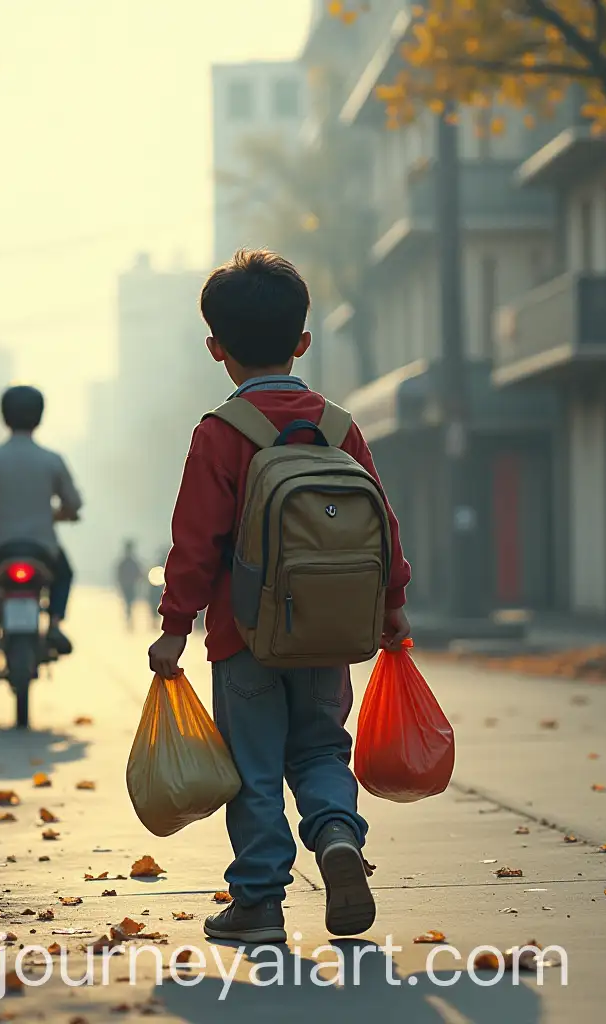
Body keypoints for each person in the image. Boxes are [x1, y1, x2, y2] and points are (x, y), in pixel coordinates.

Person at [147, 249, 411, 944]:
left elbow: (195, 542)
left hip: (246, 638)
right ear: (303, 343)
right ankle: (335, 838)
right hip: (331, 633)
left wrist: (176, 626)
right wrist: (392, 607)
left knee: (253, 767)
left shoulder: (220, 433)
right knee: (322, 751)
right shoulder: (338, 426)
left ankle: (259, 902)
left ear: (216, 349)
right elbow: (380, 524)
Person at [0, 385, 81, 674]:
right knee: (64, 573)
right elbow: (73, 504)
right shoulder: (52, 460)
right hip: (43, 549)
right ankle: (54, 624)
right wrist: (63, 514)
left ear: (4, 417)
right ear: (39, 417)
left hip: (0, 549)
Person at [114, 540, 143, 629]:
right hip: (128, 585)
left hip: (129, 585)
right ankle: (129, 620)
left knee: (129, 603)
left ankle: (129, 619)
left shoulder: (127, 562)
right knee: (128, 603)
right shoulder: (128, 562)